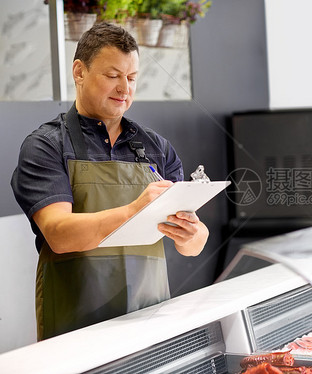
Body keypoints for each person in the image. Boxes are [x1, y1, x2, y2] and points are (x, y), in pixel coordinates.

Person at [10, 22, 209, 341]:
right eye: (113, 76)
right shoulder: (47, 146)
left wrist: (191, 234)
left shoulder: (157, 148)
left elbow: (194, 243)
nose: (124, 89)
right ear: (79, 72)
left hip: (151, 319)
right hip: (76, 326)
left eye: (131, 78)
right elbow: (59, 234)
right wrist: (134, 210)